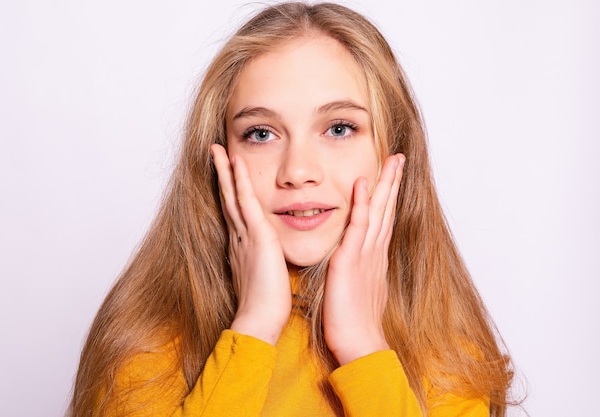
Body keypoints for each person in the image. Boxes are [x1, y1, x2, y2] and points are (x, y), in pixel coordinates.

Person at [68, 2, 514, 416]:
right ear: (219, 156)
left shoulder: (450, 357)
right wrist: (254, 328)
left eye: (339, 128)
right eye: (261, 134)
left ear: (391, 152)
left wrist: (364, 348)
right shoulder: (147, 345)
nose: (298, 171)